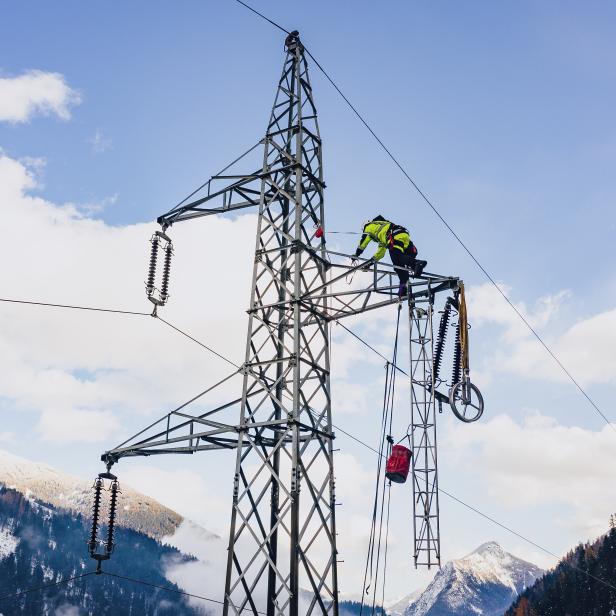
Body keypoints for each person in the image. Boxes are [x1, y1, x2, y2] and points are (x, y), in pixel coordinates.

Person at [352, 215, 427, 296]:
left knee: (397, 257)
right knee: (398, 266)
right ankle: (403, 287)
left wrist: (356, 254)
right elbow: (380, 253)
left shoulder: (369, 227)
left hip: (395, 237)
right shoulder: (381, 233)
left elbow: (363, 243)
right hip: (403, 237)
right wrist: (369, 264)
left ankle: (417, 264)